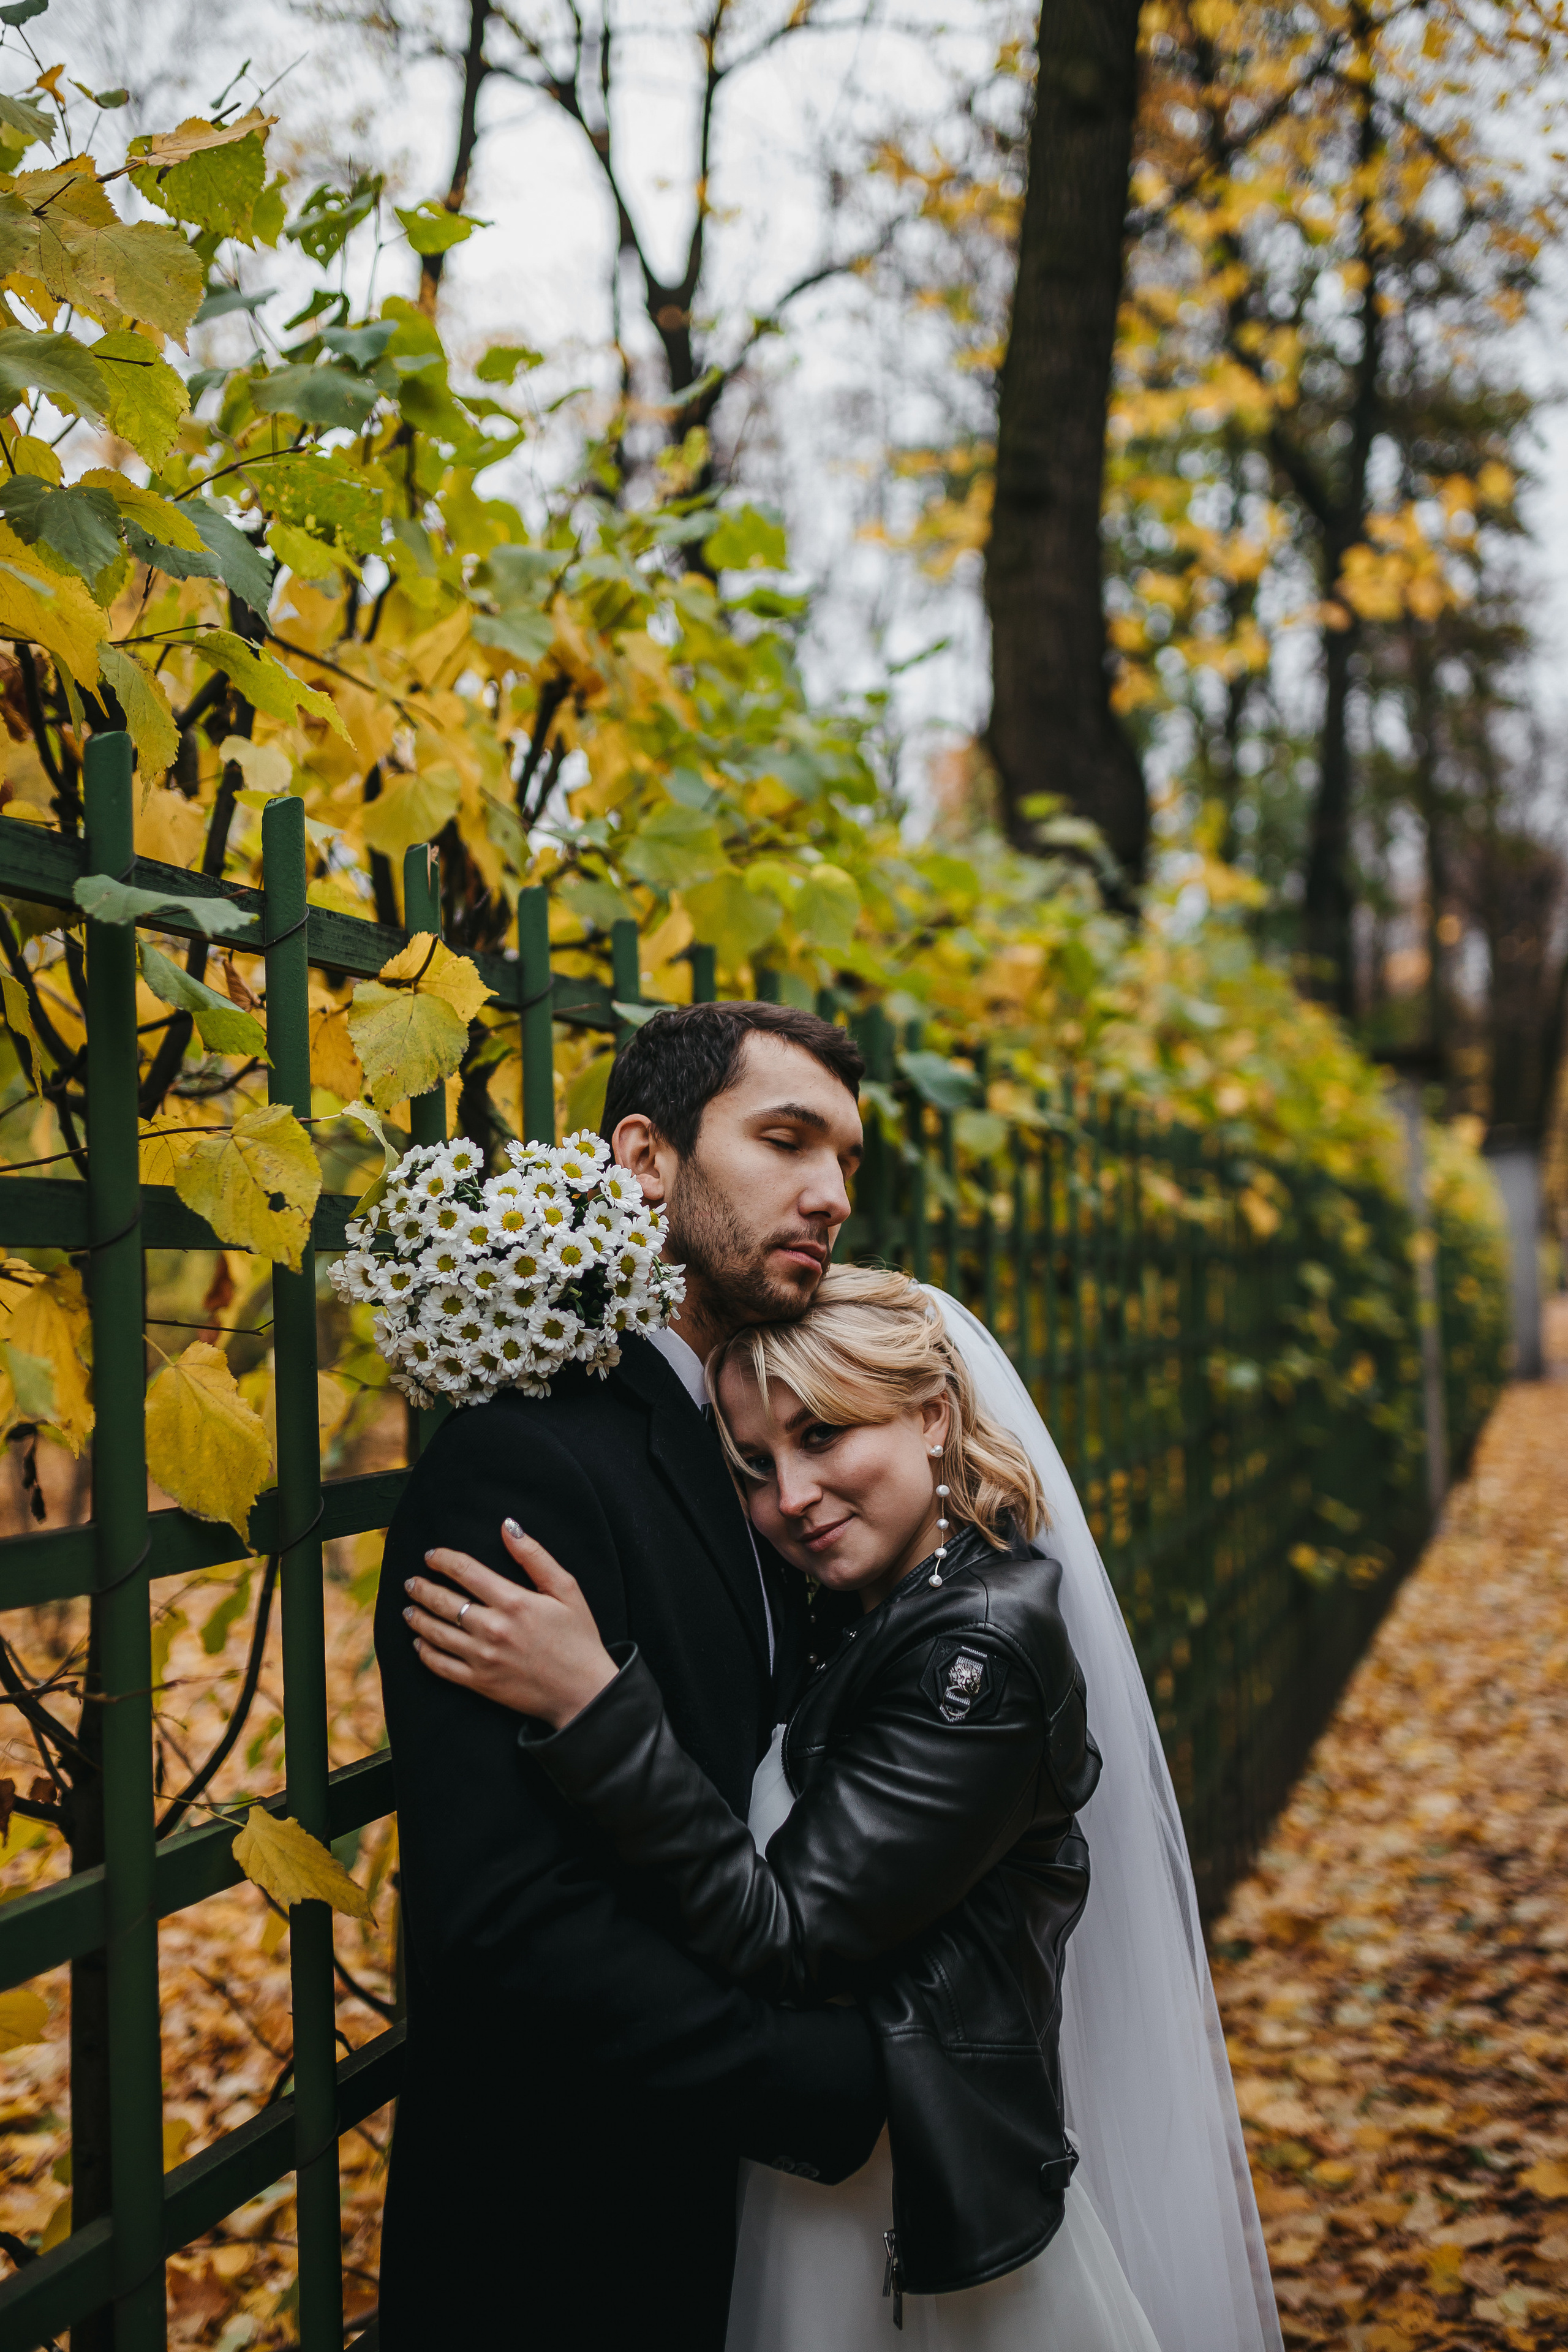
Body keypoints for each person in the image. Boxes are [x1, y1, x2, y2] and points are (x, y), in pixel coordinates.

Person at [405, 1269, 1283, 2352]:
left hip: (913, 2227)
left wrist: (594, 1705)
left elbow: (791, 1931)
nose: (793, 1496)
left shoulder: (980, 1653)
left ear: (932, 1417)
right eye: (757, 1466)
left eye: (823, 1436)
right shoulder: (874, 1610)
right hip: (837, 2185)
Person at [373, 1003, 886, 2352]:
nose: (828, 1194)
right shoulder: (525, 1463)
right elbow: (502, 1928)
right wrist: (824, 2078)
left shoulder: (785, 1466)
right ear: (644, 1161)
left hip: (764, 2246)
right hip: (570, 2246)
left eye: (844, 1160)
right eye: (784, 1140)